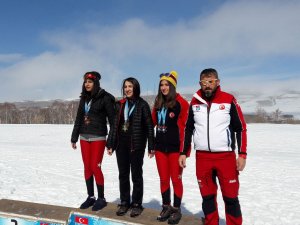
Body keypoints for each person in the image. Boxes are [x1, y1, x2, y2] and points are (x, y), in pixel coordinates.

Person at [179, 68, 247, 225]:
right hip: (203, 157)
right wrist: (183, 152)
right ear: (200, 84)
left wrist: (242, 154)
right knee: (207, 196)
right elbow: (187, 128)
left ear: (217, 82)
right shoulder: (195, 102)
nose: (207, 85)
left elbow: (241, 128)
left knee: (230, 197)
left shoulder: (228, 99)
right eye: (204, 82)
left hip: (225, 157)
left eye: (210, 81)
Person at [106, 77, 154, 217]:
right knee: (123, 175)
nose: (127, 89)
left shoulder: (142, 105)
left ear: (136, 88)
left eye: (130, 86)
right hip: (121, 145)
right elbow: (114, 126)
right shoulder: (120, 105)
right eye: (125, 86)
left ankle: (137, 203)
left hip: (136, 145)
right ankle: (125, 202)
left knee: (136, 175)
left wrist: (151, 145)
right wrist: (110, 144)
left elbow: (149, 127)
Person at [71, 71, 115, 211]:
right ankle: (91, 197)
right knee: (87, 167)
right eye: (85, 82)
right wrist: (74, 137)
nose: (87, 84)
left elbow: (113, 121)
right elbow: (79, 118)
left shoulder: (104, 97)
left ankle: (101, 198)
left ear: (95, 83)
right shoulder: (84, 98)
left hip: (98, 137)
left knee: (96, 167)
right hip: (84, 136)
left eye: (90, 82)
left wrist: (111, 142)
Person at [150, 71, 189, 224]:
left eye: (167, 85)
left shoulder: (182, 103)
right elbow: (152, 122)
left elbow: (187, 129)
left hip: (175, 150)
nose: (163, 87)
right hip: (160, 149)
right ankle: (166, 206)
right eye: (161, 85)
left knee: (176, 180)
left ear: (172, 86)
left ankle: (176, 209)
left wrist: (184, 152)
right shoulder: (158, 102)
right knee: (164, 179)